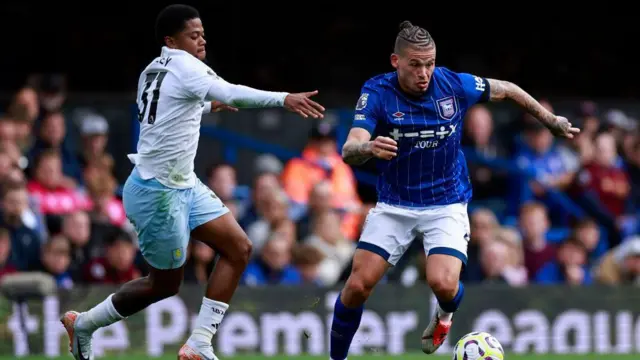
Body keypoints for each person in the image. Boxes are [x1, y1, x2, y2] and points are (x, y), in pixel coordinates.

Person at [60, 4, 325, 360]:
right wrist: (283, 99)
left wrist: (205, 107)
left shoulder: (151, 70)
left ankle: (200, 342)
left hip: (182, 184)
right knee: (164, 285)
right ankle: (86, 323)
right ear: (171, 40)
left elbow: (167, 113)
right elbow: (230, 92)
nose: (202, 40)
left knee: (238, 247)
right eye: (193, 35)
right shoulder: (187, 66)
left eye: (202, 34)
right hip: (159, 193)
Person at [330, 20, 578, 359]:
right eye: (415, 64)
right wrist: (369, 148)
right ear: (395, 61)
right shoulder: (377, 92)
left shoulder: (453, 85)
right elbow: (349, 149)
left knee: (444, 284)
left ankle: (444, 315)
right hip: (396, 203)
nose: (424, 72)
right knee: (357, 286)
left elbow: (507, 88)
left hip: (445, 202)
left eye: (429, 63)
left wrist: (550, 121)